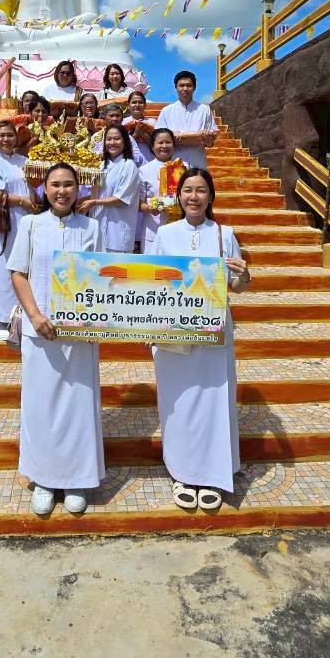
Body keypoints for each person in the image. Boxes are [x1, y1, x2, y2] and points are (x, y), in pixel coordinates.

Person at [8, 162, 105, 517]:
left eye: (69, 184)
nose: (62, 191)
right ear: (43, 189)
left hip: (81, 331)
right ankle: (44, 478)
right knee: (41, 405)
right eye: (55, 185)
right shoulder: (31, 225)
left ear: (79, 188)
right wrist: (35, 315)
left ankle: (78, 478)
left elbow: (100, 275)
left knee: (80, 403)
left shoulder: (92, 227)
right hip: (40, 330)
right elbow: (18, 273)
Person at [152, 167, 249, 512]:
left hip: (213, 332)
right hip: (173, 333)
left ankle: (211, 473)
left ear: (210, 196)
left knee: (212, 401)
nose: (193, 196)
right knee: (177, 402)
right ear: (178, 196)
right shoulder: (163, 234)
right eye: (187, 190)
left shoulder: (225, 233)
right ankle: (182, 472)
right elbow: (152, 282)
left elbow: (236, 284)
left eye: (201, 190)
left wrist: (244, 276)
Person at [0, 122, 36, 341]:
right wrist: (21, 200)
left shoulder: (25, 161)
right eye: (1, 135)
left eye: (10, 135)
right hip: (2, 223)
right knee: (1, 268)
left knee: (21, 267)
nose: (6, 139)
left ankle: (18, 316)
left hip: (24, 221)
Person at [78, 125, 140, 252]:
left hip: (118, 235)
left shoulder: (129, 165)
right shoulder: (101, 165)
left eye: (116, 139)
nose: (112, 143)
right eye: (108, 139)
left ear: (125, 141)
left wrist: (94, 202)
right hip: (98, 228)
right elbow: (95, 193)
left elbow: (121, 199)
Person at [157, 70, 218, 170]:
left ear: (194, 87)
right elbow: (159, 138)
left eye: (188, 85)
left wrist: (208, 139)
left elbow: (211, 141)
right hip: (174, 164)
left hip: (198, 164)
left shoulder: (204, 109)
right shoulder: (166, 111)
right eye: (181, 85)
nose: (185, 89)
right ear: (176, 87)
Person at [138, 128, 186, 253]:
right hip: (153, 230)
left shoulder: (184, 167)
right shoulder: (144, 171)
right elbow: (138, 203)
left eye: (168, 142)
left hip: (180, 228)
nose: (164, 146)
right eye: (160, 143)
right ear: (152, 147)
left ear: (174, 145)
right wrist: (150, 208)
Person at [123, 90, 154, 164]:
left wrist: (143, 134)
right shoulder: (123, 122)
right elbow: (122, 145)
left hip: (149, 161)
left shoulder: (153, 122)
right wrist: (136, 134)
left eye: (140, 102)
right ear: (128, 105)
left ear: (145, 105)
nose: (137, 105)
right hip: (129, 162)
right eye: (134, 102)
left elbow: (156, 145)